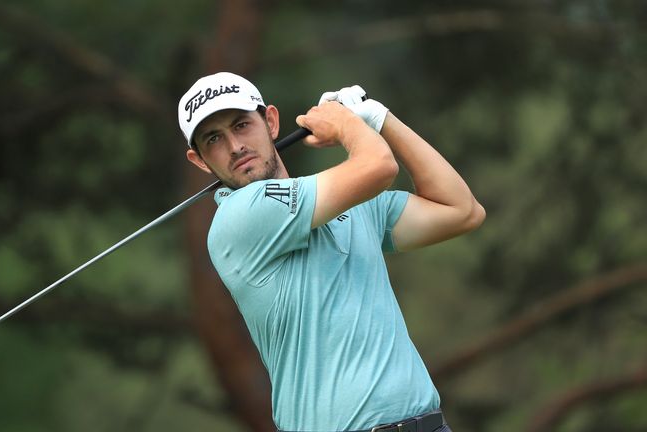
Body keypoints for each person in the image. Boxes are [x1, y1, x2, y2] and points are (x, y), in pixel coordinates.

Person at [178, 72, 485, 432]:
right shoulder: (238, 218)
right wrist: (347, 125)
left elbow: (461, 210)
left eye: (242, 125)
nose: (235, 146)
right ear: (199, 161)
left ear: (271, 122)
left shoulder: (354, 207)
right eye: (214, 139)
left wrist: (380, 118)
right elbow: (379, 167)